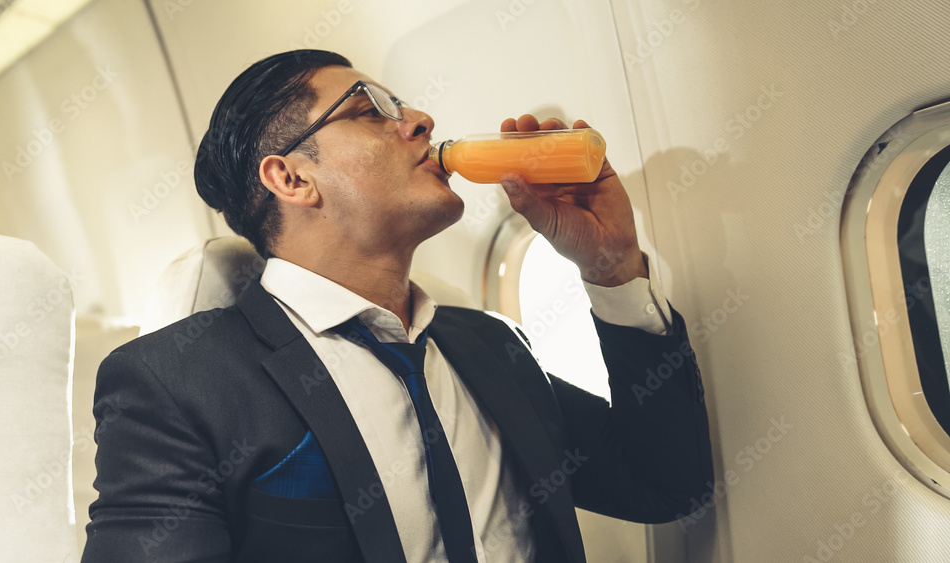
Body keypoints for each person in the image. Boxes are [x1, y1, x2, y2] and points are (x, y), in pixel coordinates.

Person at [82, 49, 713, 563]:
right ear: (293, 179)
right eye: (369, 110)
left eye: (403, 104)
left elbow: (664, 483)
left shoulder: (489, 346)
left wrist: (612, 269)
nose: (420, 119)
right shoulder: (175, 383)